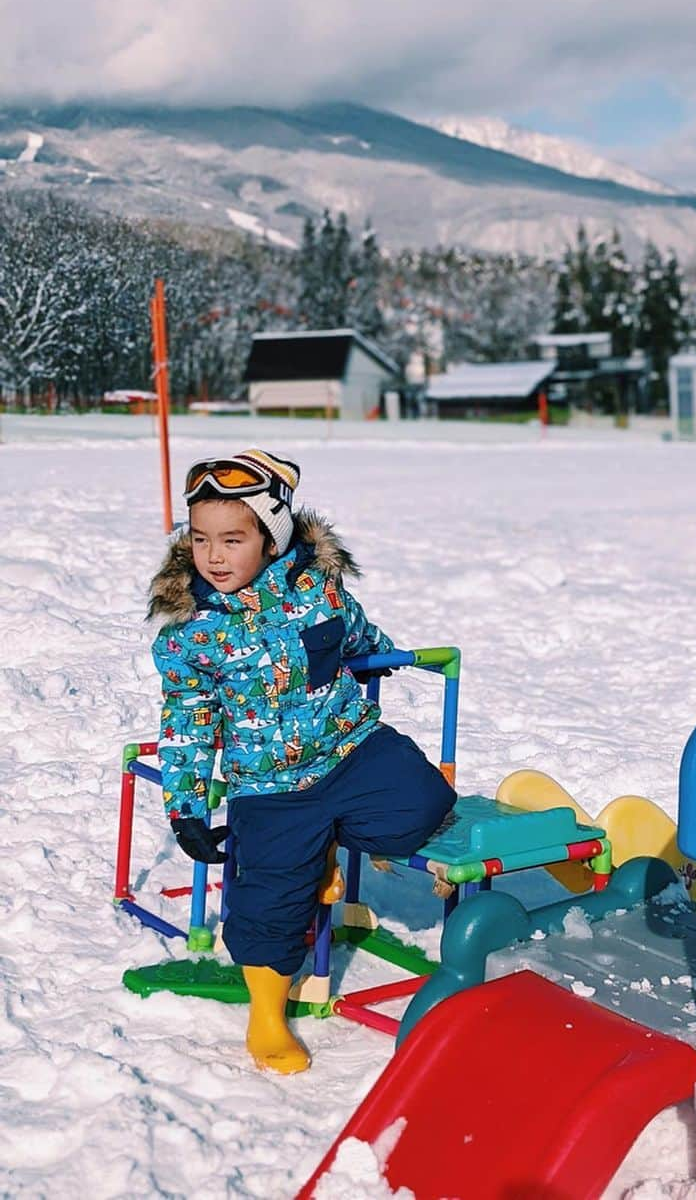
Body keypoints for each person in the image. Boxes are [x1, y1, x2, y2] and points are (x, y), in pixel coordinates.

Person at [147, 449, 456, 1074]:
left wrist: (389, 654)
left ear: (271, 535)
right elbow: (186, 719)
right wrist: (185, 806)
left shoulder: (316, 588)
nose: (214, 556)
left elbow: (356, 632)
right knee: (268, 905)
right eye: (201, 539)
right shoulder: (191, 633)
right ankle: (268, 1013)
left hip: (349, 748)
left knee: (426, 804)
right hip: (270, 785)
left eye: (233, 539)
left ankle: (319, 850)